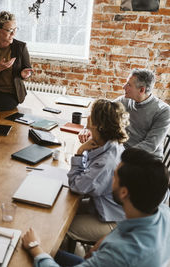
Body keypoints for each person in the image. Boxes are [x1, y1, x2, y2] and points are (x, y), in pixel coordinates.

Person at [22, 148, 170, 267]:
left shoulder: (120, 253)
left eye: (115, 176)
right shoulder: (163, 213)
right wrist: (104, 241)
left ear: (124, 192)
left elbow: (119, 254)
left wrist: (35, 248)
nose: (111, 179)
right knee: (53, 252)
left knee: (34, 252)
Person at [67, 99, 129, 243]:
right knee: (60, 212)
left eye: (90, 114)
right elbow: (87, 176)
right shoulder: (109, 143)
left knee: (62, 227)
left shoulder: (107, 161)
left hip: (114, 219)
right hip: (102, 206)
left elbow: (77, 186)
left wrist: (79, 152)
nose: (87, 116)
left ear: (98, 125)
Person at [79, 68, 170, 159]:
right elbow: (101, 112)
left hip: (146, 159)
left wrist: (117, 153)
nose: (124, 87)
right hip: (122, 151)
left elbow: (150, 145)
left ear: (142, 90)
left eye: (129, 85)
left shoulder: (163, 111)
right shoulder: (125, 100)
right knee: (90, 158)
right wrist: (86, 128)